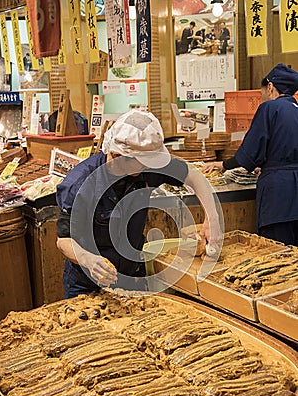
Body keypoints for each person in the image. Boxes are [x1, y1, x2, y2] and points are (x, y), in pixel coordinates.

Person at [56, 110, 223, 298]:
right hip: (87, 282)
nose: (147, 166)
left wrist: (212, 218)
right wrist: (89, 260)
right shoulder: (80, 184)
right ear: (118, 155)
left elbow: (194, 176)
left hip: (133, 275)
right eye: (142, 162)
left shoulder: (145, 168)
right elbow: (64, 240)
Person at [203, 63, 298, 246]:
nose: (261, 96)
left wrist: (224, 165)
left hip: (279, 196)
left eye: (262, 91)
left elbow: (250, 153)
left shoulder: (269, 108)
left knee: (276, 253)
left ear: (270, 87)